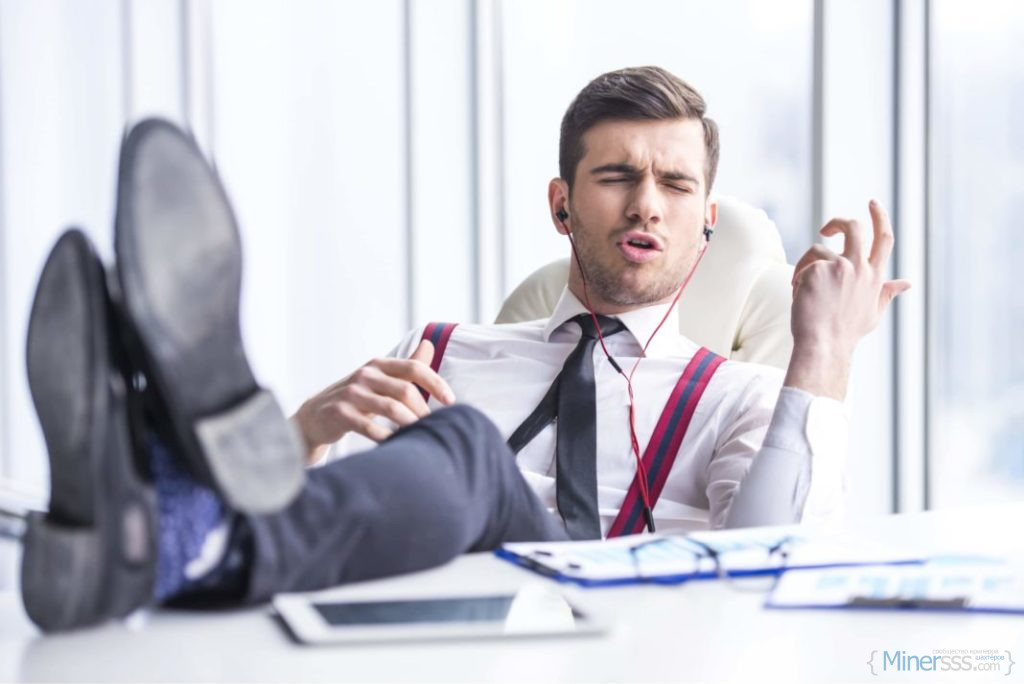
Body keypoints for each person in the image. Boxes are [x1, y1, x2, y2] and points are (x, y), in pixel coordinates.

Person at [20, 67, 907, 633]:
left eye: (676, 185)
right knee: (435, 448)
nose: (647, 205)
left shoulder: (746, 396)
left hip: (619, 637)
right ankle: (156, 521)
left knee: (468, 451)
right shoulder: (444, 349)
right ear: (562, 205)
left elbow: (765, 574)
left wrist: (822, 354)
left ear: (705, 225)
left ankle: (171, 508)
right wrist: (304, 430)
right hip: (435, 635)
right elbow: (349, 534)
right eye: (616, 177)